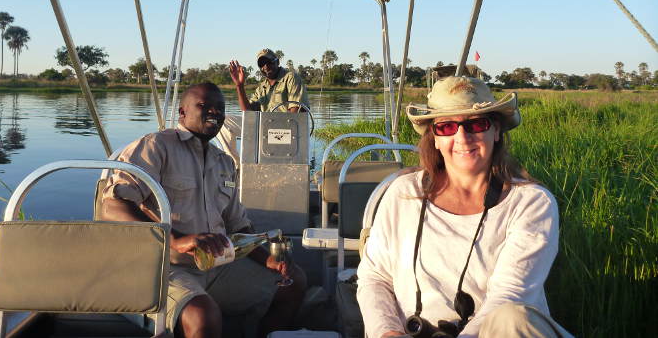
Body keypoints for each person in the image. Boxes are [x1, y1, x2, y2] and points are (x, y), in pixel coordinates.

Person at [356, 76, 573, 338]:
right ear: (434, 138)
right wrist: (387, 332)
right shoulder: (403, 193)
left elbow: (508, 294)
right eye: (446, 127)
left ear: (496, 132)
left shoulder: (531, 203)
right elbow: (374, 277)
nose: (462, 136)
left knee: (510, 316)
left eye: (476, 124)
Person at [101, 82, 306, 338]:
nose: (215, 112)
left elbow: (239, 226)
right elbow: (112, 206)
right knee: (202, 314)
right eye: (204, 106)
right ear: (183, 112)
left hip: (217, 265)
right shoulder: (156, 146)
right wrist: (175, 239)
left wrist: (267, 259)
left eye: (220, 108)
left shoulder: (224, 162)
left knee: (292, 283)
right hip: (164, 266)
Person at [228, 48, 310, 113]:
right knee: (227, 121)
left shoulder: (291, 78)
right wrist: (239, 85)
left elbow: (296, 110)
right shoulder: (261, 88)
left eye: (269, 62)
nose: (266, 66)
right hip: (265, 127)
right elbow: (247, 112)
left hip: (287, 129)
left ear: (277, 62)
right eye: (262, 64)